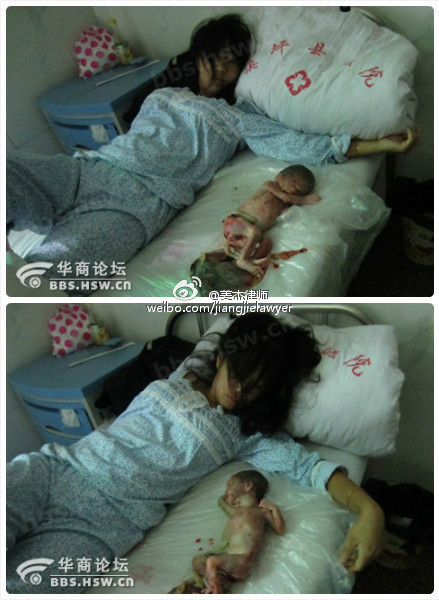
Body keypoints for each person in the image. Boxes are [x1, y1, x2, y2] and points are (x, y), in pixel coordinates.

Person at [6, 312, 384, 594]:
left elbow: (312, 469)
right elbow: (217, 332)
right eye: (237, 375)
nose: (240, 391)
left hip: (106, 521)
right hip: (56, 469)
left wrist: (370, 510)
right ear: (220, 358)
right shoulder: (181, 376)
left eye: (255, 387)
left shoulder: (244, 433)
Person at [6, 81, 420, 294]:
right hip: (89, 168)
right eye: (214, 60)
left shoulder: (237, 118)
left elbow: (298, 147)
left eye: (230, 64)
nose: (220, 72)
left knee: (42, 276)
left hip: (137, 201)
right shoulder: (161, 94)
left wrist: (380, 144)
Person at [193, 164, 318, 282]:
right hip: (237, 221)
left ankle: (228, 257)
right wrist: (304, 199)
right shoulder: (271, 186)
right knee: (255, 233)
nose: (293, 190)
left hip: (243, 232)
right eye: (293, 183)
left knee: (265, 243)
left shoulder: (284, 203)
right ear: (280, 176)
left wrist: (296, 202)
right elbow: (285, 196)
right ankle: (243, 260)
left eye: (298, 190)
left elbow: (286, 209)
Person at [123, 13, 252, 124]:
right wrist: (204, 92)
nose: (221, 68)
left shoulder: (237, 94)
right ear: (198, 58)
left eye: (231, 60)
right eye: (212, 58)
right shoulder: (178, 77)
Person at [193, 470, 285, 593]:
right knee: (198, 560)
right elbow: (221, 502)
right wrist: (226, 498)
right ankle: (220, 582)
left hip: (243, 561)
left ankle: (214, 590)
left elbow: (280, 529)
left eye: (229, 485)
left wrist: (274, 508)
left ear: (248, 486)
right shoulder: (235, 512)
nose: (225, 491)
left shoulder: (261, 512)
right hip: (227, 561)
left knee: (211, 561)